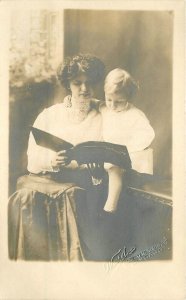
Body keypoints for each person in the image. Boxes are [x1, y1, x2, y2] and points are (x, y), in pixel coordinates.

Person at [8, 54, 106, 261]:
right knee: (25, 197)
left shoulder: (104, 114)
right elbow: (33, 158)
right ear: (68, 85)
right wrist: (52, 161)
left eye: (89, 83)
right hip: (46, 179)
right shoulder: (50, 114)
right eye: (77, 83)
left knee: (72, 197)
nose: (84, 89)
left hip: (83, 183)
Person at [100, 68, 155, 213]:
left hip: (132, 156)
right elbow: (91, 103)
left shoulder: (134, 115)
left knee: (114, 166)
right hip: (109, 153)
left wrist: (126, 149)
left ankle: (111, 204)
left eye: (119, 101)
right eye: (109, 99)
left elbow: (147, 135)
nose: (112, 105)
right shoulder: (104, 108)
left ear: (128, 98)